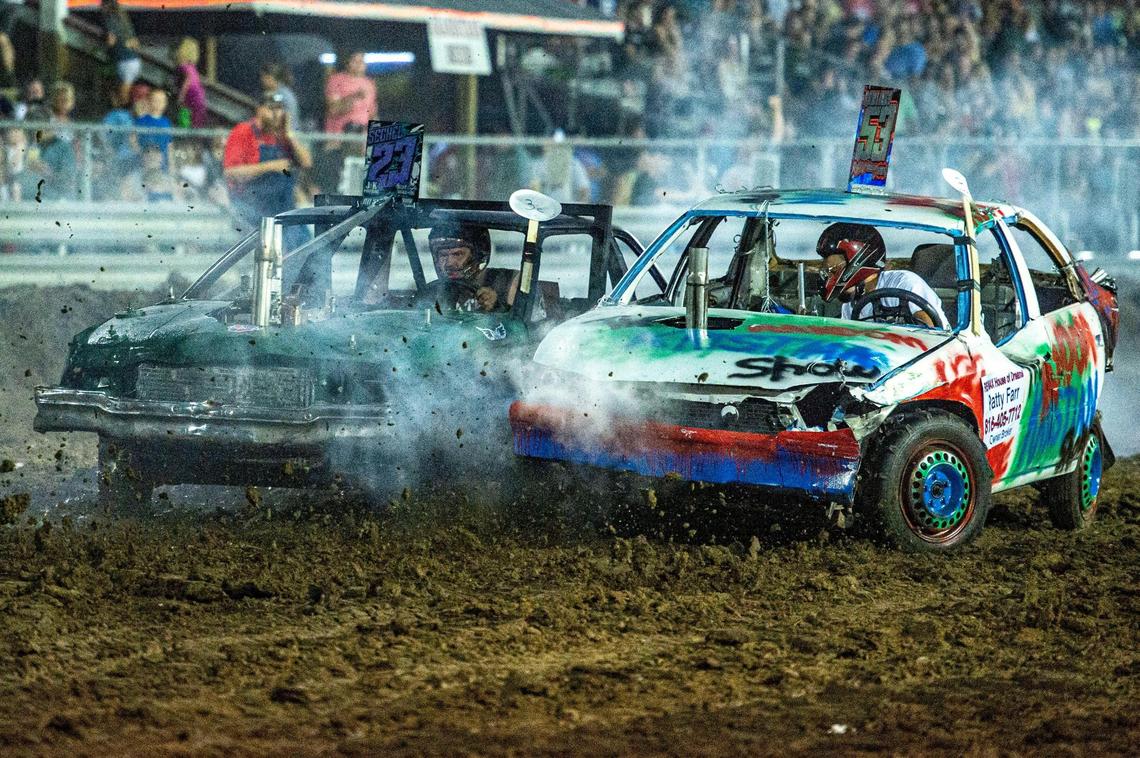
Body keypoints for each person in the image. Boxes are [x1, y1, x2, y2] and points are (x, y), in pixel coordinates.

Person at [816, 222, 949, 329]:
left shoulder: (904, 283)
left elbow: (930, 332)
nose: (828, 274)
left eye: (832, 270)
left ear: (857, 259)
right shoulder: (850, 304)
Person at [222, 91, 312, 229]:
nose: (276, 114)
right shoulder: (243, 131)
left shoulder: (283, 136)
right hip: (251, 208)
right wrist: (271, 166)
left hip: (283, 208)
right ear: (259, 110)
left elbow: (306, 162)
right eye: (271, 109)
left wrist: (289, 134)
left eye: (280, 109)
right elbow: (231, 172)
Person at [425, 223, 514, 313]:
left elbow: (520, 322)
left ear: (478, 255)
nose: (449, 263)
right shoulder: (432, 292)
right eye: (443, 255)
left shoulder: (508, 283)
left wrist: (497, 305)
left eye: (458, 254)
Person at [323, 50, 376, 134]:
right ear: (347, 63)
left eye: (362, 61)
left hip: (362, 139)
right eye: (355, 61)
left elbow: (372, 113)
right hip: (341, 137)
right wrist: (354, 97)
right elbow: (334, 110)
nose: (359, 64)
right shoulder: (336, 80)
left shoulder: (369, 83)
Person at [100, 0, 141, 105]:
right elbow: (136, 43)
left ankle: (120, 113)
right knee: (125, 93)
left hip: (123, 60)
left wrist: (103, 48)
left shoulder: (110, 19)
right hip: (135, 60)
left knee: (122, 95)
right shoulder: (124, 20)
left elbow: (111, 40)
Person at [174, 37, 208, 128]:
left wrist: (181, 95)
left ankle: (185, 130)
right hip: (199, 94)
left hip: (191, 93)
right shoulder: (192, 66)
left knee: (185, 115)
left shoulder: (183, 66)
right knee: (196, 119)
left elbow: (187, 80)